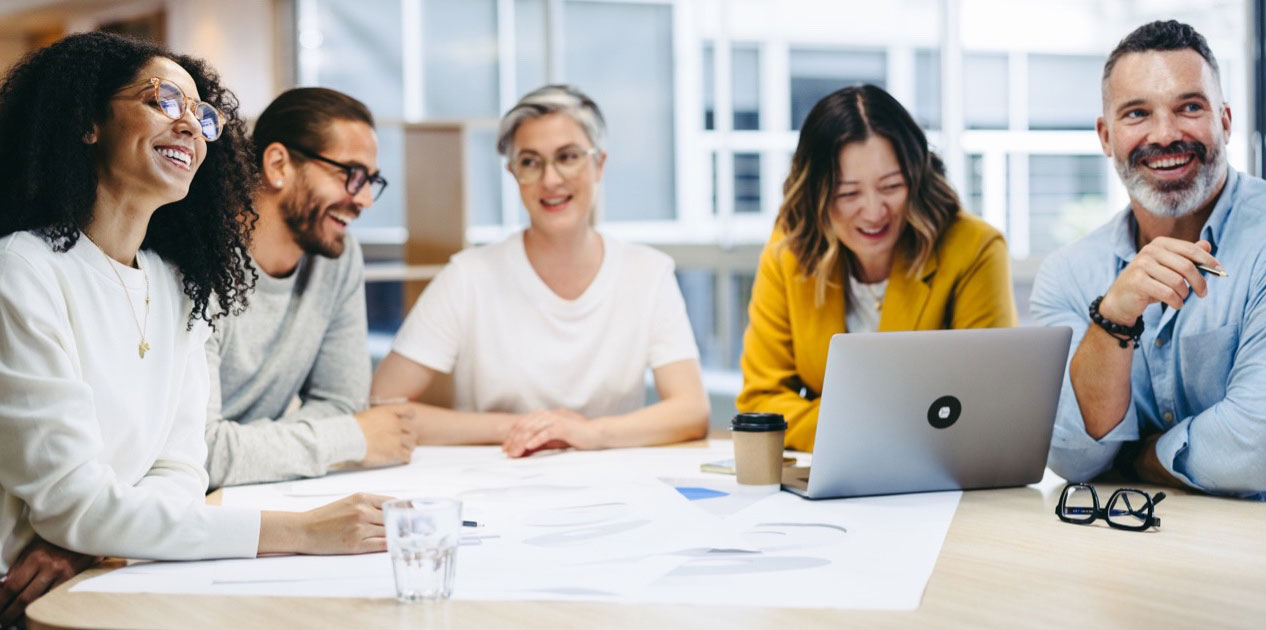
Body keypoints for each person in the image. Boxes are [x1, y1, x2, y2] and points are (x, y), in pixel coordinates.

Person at [0, 33, 386, 625]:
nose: (189, 126)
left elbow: (181, 470)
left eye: (201, 115)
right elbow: (71, 502)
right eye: (164, 101)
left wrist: (96, 534)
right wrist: (303, 531)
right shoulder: (21, 270)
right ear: (88, 123)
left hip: (102, 577)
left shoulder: (181, 288)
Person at [371, 85, 709, 457]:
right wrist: (523, 427)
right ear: (513, 173)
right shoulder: (468, 277)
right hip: (499, 479)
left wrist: (589, 433)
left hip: (614, 485)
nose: (551, 180)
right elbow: (383, 406)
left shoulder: (647, 273)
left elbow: (691, 411)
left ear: (599, 164)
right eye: (530, 162)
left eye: (568, 157)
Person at [1031, 21, 1266, 498]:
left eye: (1190, 107)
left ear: (1224, 120)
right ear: (1105, 136)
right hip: (1129, 549)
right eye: (1137, 114)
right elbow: (1074, 456)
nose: (1165, 134)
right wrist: (1113, 317)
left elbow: (1255, 444)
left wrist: (1140, 457)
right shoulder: (1068, 275)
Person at [737, 84, 1018, 452]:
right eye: (848, 193)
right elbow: (761, 404)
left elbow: (986, 404)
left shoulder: (974, 250)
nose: (873, 212)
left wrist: (828, 420)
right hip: (834, 472)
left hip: (940, 479)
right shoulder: (789, 250)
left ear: (916, 178)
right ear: (816, 194)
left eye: (891, 186)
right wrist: (875, 424)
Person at [203, 87, 415, 489]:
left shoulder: (338, 258)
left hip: (262, 493)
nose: (366, 200)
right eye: (351, 175)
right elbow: (200, 450)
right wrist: (353, 439)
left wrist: (257, 451)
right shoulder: (197, 261)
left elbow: (340, 404)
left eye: (371, 180)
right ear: (279, 164)